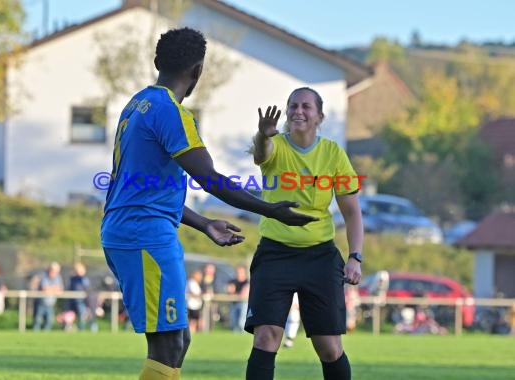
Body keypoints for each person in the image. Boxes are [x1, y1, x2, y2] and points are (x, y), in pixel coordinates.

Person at [100, 27, 316, 380]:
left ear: (158, 62)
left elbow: (144, 191)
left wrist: (204, 224)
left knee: (179, 340)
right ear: (197, 71)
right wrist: (270, 209)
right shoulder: (171, 113)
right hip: (145, 237)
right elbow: (209, 179)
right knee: (168, 346)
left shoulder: (136, 104)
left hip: (131, 228)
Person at [245, 87, 364, 380]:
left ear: (320, 116)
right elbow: (262, 156)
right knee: (266, 337)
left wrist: (355, 257)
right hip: (275, 254)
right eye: (293, 106)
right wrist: (263, 134)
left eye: (306, 107)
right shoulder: (275, 145)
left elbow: (352, 212)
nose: (299, 111)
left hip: (320, 257)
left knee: (329, 348)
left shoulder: (333, 153)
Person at [33, 262, 64, 331]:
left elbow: (60, 290)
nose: (54, 273)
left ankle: (45, 337)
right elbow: (45, 289)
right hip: (41, 303)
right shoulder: (44, 276)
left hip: (50, 304)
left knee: (49, 321)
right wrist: (54, 289)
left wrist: (51, 289)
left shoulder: (58, 278)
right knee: (38, 320)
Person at [227, 264, 249, 333]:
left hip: (243, 304)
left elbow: (244, 294)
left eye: (241, 272)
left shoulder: (247, 282)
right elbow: (230, 292)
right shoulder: (232, 281)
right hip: (234, 303)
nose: (239, 273)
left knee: (241, 321)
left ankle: (243, 333)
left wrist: (236, 293)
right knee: (234, 321)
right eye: (238, 272)